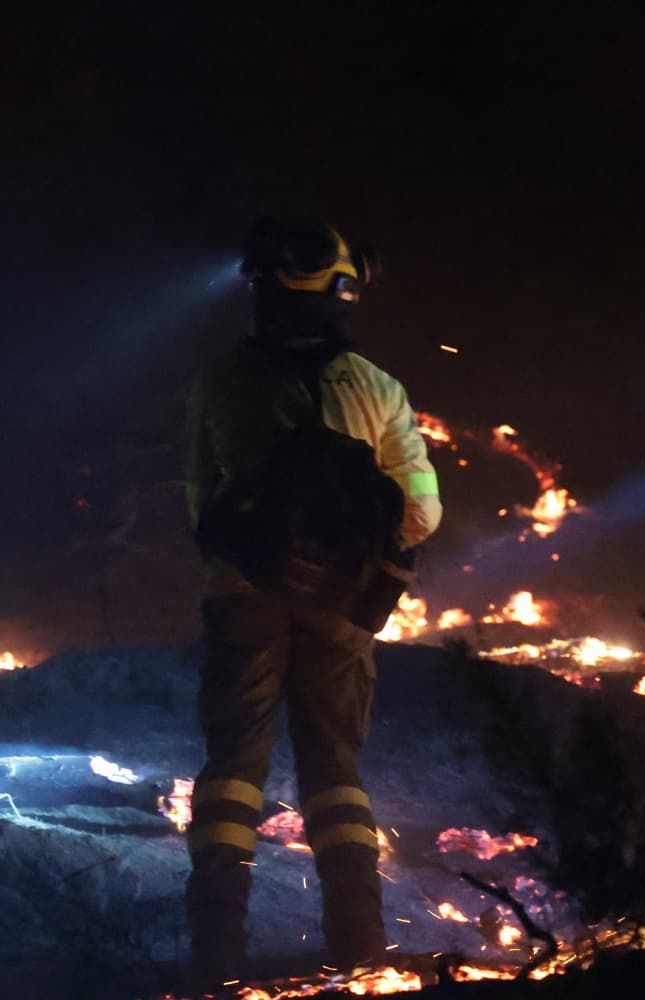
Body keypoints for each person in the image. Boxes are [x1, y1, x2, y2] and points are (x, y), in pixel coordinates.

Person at [183, 218, 441, 982]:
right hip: (343, 603)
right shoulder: (377, 387)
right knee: (335, 770)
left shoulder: (220, 379)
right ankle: (361, 953)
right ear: (343, 290)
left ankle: (216, 959)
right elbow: (422, 513)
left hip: (241, 596)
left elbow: (203, 509)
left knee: (233, 769)